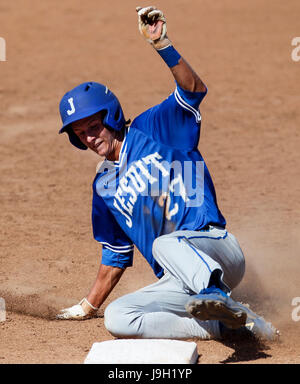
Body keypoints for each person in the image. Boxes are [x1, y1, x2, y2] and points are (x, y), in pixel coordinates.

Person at [56, 6, 277, 341]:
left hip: (216, 249)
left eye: (94, 125)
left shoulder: (155, 128)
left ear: (112, 116)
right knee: (120, 317)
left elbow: (193, 90)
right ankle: (224, 325)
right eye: (80, 132)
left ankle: (216, 296)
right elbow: (115, 254)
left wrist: (162, 44)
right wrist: (88, 306)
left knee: (164, 243)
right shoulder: (104, 186)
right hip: (180, 279)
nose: (90, 137)